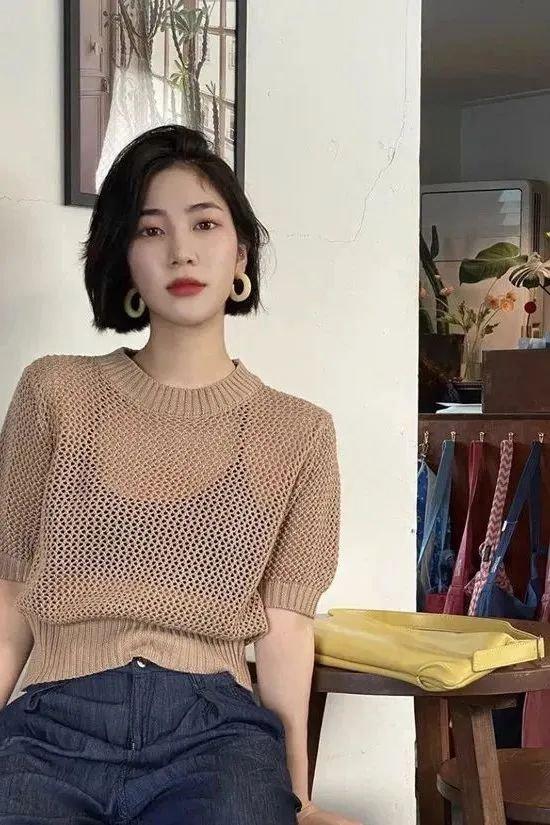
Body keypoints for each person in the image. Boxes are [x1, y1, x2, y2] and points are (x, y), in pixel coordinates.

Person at [0, 125, 361, 825]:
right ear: (124, 258)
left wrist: (299, 799)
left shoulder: (299, 432)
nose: (181, 252)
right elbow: (10, 591)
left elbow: (285, 629)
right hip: (52, 726)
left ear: (241, 253)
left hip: (216, 736)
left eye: (204, 223)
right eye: (151, 229)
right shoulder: (53, 393)